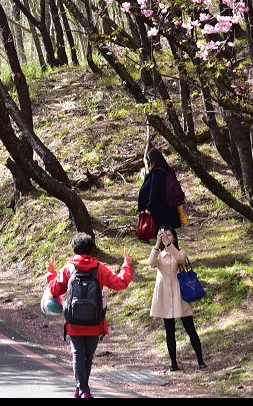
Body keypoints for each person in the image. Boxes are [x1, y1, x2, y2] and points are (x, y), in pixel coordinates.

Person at [47, 232, 133, 398]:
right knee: (87, 356)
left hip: (73, 321)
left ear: (74, 249)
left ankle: (82, 389)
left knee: (78, 354)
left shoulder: (69, 268)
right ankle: (82, 389)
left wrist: (51, 272)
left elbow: (54, 289)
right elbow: (120, 283)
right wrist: (126, 265)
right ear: (92, 249)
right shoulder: (99, 268)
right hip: (94, 321)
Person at [148, 228, 205, 371]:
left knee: (190, 328)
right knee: (169, 331)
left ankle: (200, 360)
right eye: (164, 235)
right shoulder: (159, 255)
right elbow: (151, 263)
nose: (166, 237)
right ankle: (173, 362)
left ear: (174, 237)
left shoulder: (180, 252)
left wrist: (168, 245)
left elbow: (180, 259)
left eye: (169, 235)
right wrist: (157, 244)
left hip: (180, 295)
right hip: (165, 296)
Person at [138, 148, 179, 231]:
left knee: (161, 232)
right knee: (168, 231)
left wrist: (149, 208)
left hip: (160, 208)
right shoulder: (169, 169)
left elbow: (154, 191)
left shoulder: (157, 172)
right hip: (170, 205)